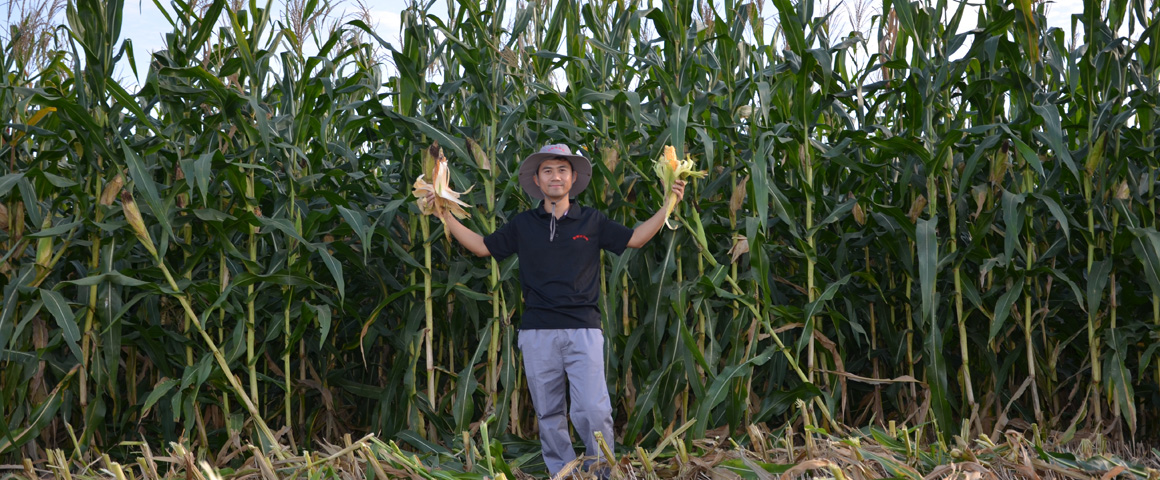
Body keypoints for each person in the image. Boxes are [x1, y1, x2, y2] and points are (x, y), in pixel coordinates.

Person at [429, 143, 686, 477]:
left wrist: (668, 205)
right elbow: (481, 247)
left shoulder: (591, 221)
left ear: (573, 178)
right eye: (547, 170)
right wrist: (445, 214)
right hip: (537, 332)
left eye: (562, 170)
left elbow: (635, 238)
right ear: (537, 180)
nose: (555, 177)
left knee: (593, 410)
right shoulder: (523, 224)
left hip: (584, 330)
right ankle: (563, 474)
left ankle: (602, 473)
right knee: (549, 414)